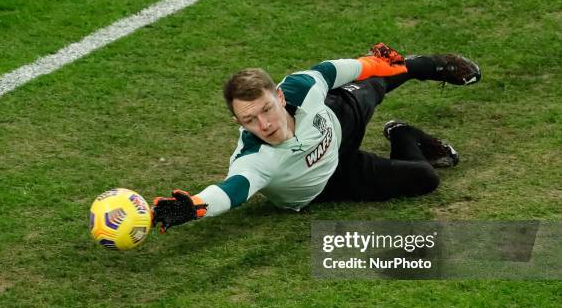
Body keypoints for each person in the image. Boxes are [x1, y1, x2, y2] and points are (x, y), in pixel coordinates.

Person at [151, 43, 481, 232]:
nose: (264, 124)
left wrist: (373, 62)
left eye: (267, 110)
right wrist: (194, 206)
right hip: (334, 181)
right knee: (424, 178)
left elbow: (330, 71)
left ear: (280, 97)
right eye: (249, 120)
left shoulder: (302, 88)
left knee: (377, 80)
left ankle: (431, 65)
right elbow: (230, 191)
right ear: (236, 120)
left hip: (338, 122)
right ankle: (403, 133)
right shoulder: (254, 160)